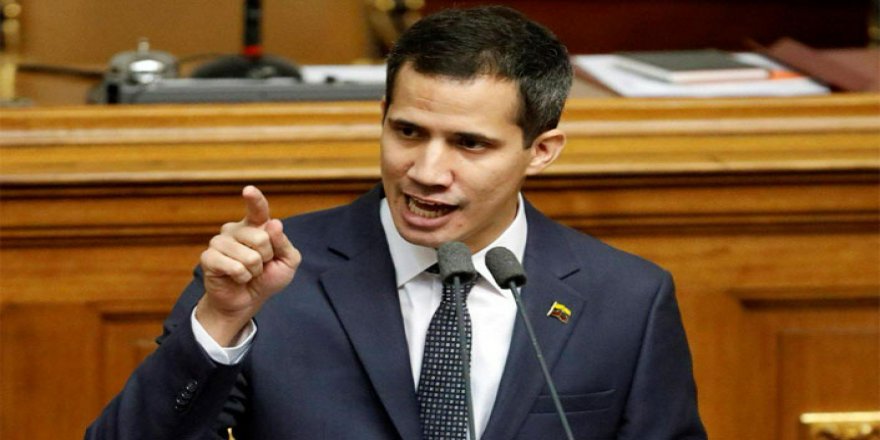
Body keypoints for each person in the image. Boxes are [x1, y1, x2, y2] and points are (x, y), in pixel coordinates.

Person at [86, 6, 706, 439]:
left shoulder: (627, 300)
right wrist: (221, 323)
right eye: (407, 131)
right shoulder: (264, 281)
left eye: (469, 143)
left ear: (540, 151)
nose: (427, 171)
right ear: (382, 116)